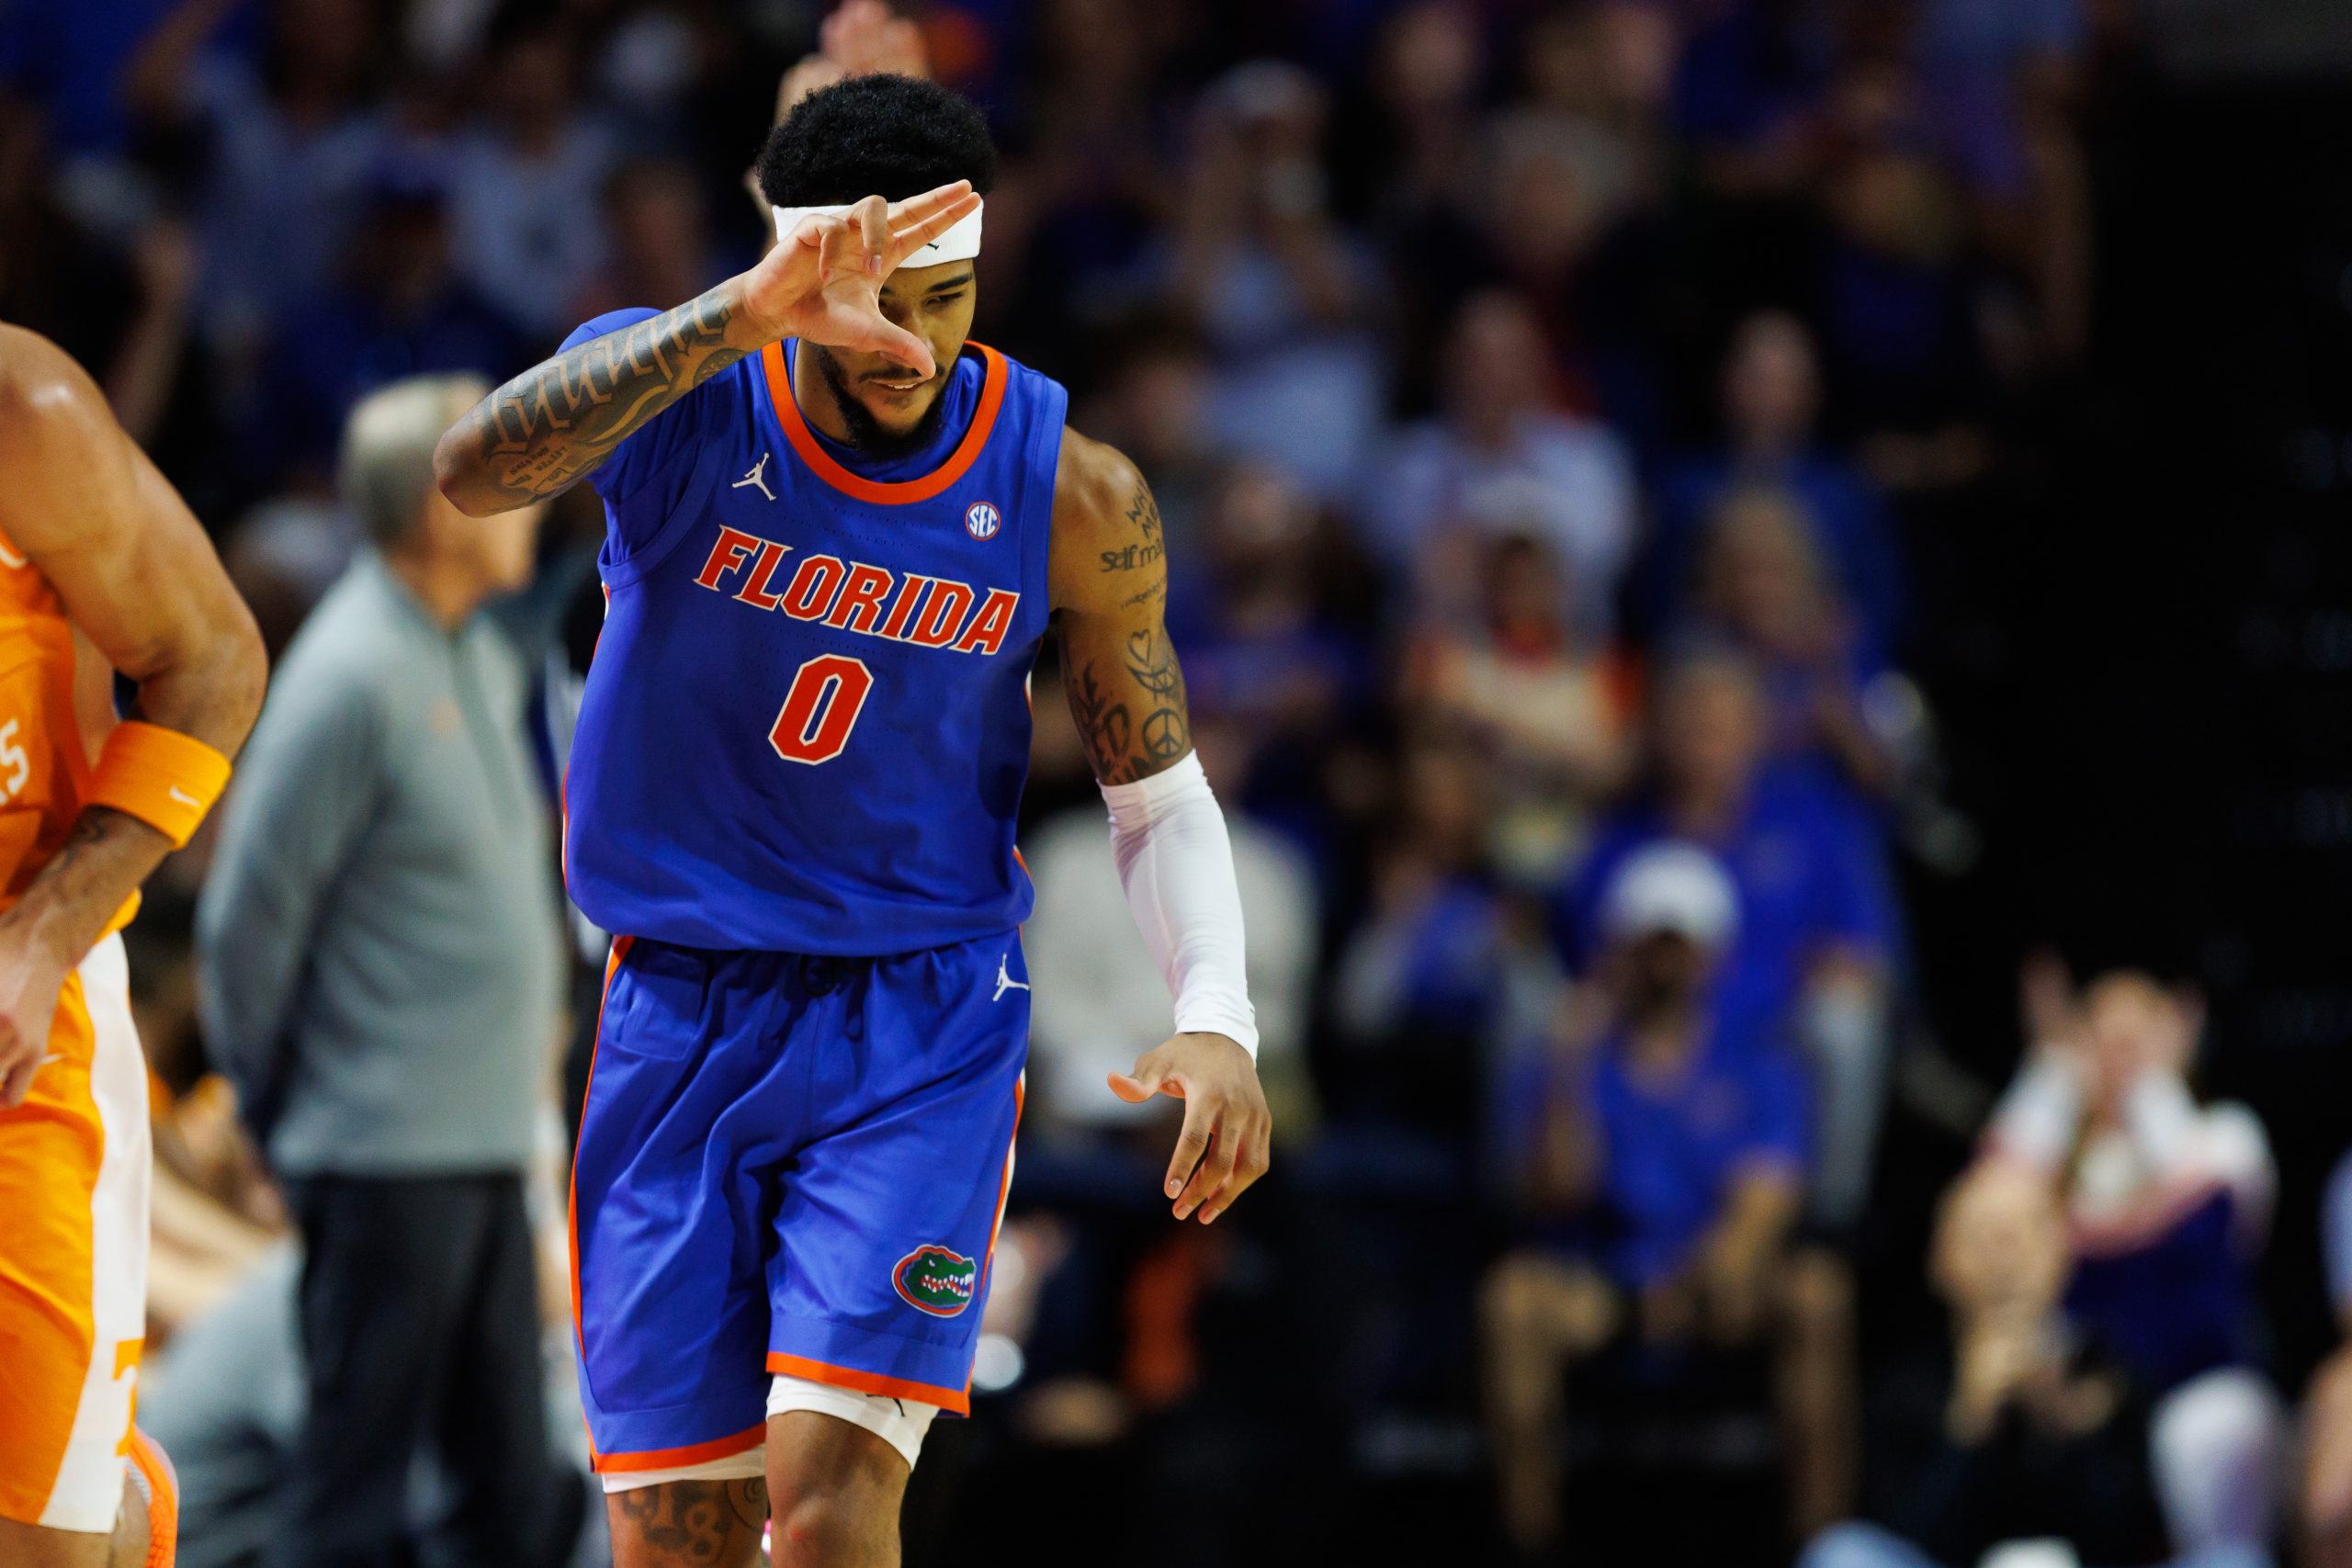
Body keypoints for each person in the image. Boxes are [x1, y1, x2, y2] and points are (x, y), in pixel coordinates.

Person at [431, 74, 1271, 1568]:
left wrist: (1218, 1012)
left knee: (826, 1501)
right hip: (675, 1000)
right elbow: (472, 473)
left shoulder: (1072, 488)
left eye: (947, 300)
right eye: (874, 306)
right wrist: (738, 319)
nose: (913, 344)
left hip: (920, 1013)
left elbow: (1155, 789)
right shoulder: (692, 394)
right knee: (677, 1534)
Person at [196, 373, 574, 1568]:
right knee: (351, 1497)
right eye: (509, 482)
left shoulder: (475, 652)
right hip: (380, 1157)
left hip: (478, 1150)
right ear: (439, 503)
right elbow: (247, 922)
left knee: (509, 1491)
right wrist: (277, 1110)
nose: (532, 505)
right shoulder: (349, 674)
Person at [0, 323, 267, 1568]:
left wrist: (45, 933)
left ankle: (115, 1510)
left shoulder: (25, 412)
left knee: (39, 1536)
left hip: (17, 1032)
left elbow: (211, 658)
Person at [1485, 841, 1853, 1557]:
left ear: (1712, 952)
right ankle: (1530, 1544)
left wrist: (1691, 1286)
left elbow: (1765, 1203)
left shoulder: (1759, 1059)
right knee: (1512, 1305)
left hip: (1719, 1288)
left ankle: (1823, 1543)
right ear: (1618, 946)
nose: (1663, 962)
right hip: (1605, 1280)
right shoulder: (1572, 1051)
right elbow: (1559, 1192)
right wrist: (1568, 1065)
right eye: (1649, 942)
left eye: (1679, 944)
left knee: (1816, 1294)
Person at [1983, 962, 2286, 1558]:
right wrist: (2048, 1081)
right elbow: (1984, 1221)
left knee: (2217, 1425)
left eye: (2136, 1041)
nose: (2120, 1060)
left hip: (2187, 1386)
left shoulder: (2223, 1133)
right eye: (2101, 1040)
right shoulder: (2052, 1162)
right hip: (2076, 1424)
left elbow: (2203, 1226)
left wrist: (2153, 1090)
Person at [1802, 1162, 2179, 1568]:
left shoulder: (2109, 1369)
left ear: (2064, 1253)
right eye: (1981, 1240)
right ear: (1939, 1264)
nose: (2004, 1261)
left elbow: (2130, 1541)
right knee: (1841, 1554)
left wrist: (2057, 1426)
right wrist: (1971, 1419)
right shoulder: (1906, 1385)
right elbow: (1905, 1538)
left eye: (2021, 1237)